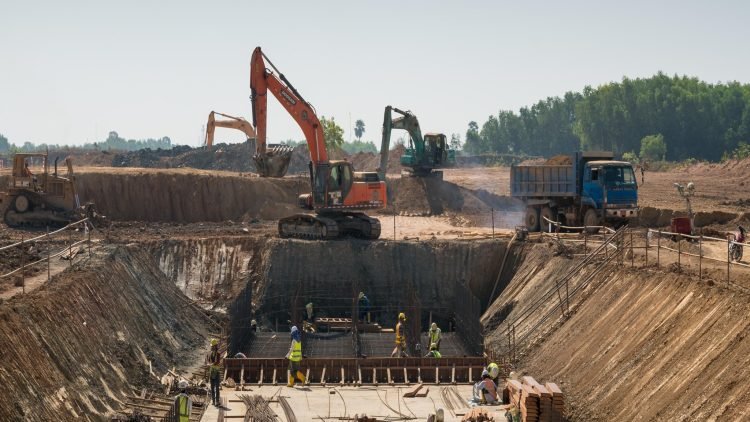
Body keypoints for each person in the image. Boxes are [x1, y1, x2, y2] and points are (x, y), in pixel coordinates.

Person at [206, 339, 221, 406]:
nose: (211, 347)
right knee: (212, 387)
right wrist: (208, 364)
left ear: (215, 346)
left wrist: (211, 364)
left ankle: (217, 401)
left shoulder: (218, 354)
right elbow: (207, 361)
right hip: (212, 372)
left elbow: (217, 362)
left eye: (212, 346)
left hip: (216, 372)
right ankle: (213, 400)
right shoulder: (209, 354)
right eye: (211, 346)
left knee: (217, 387)